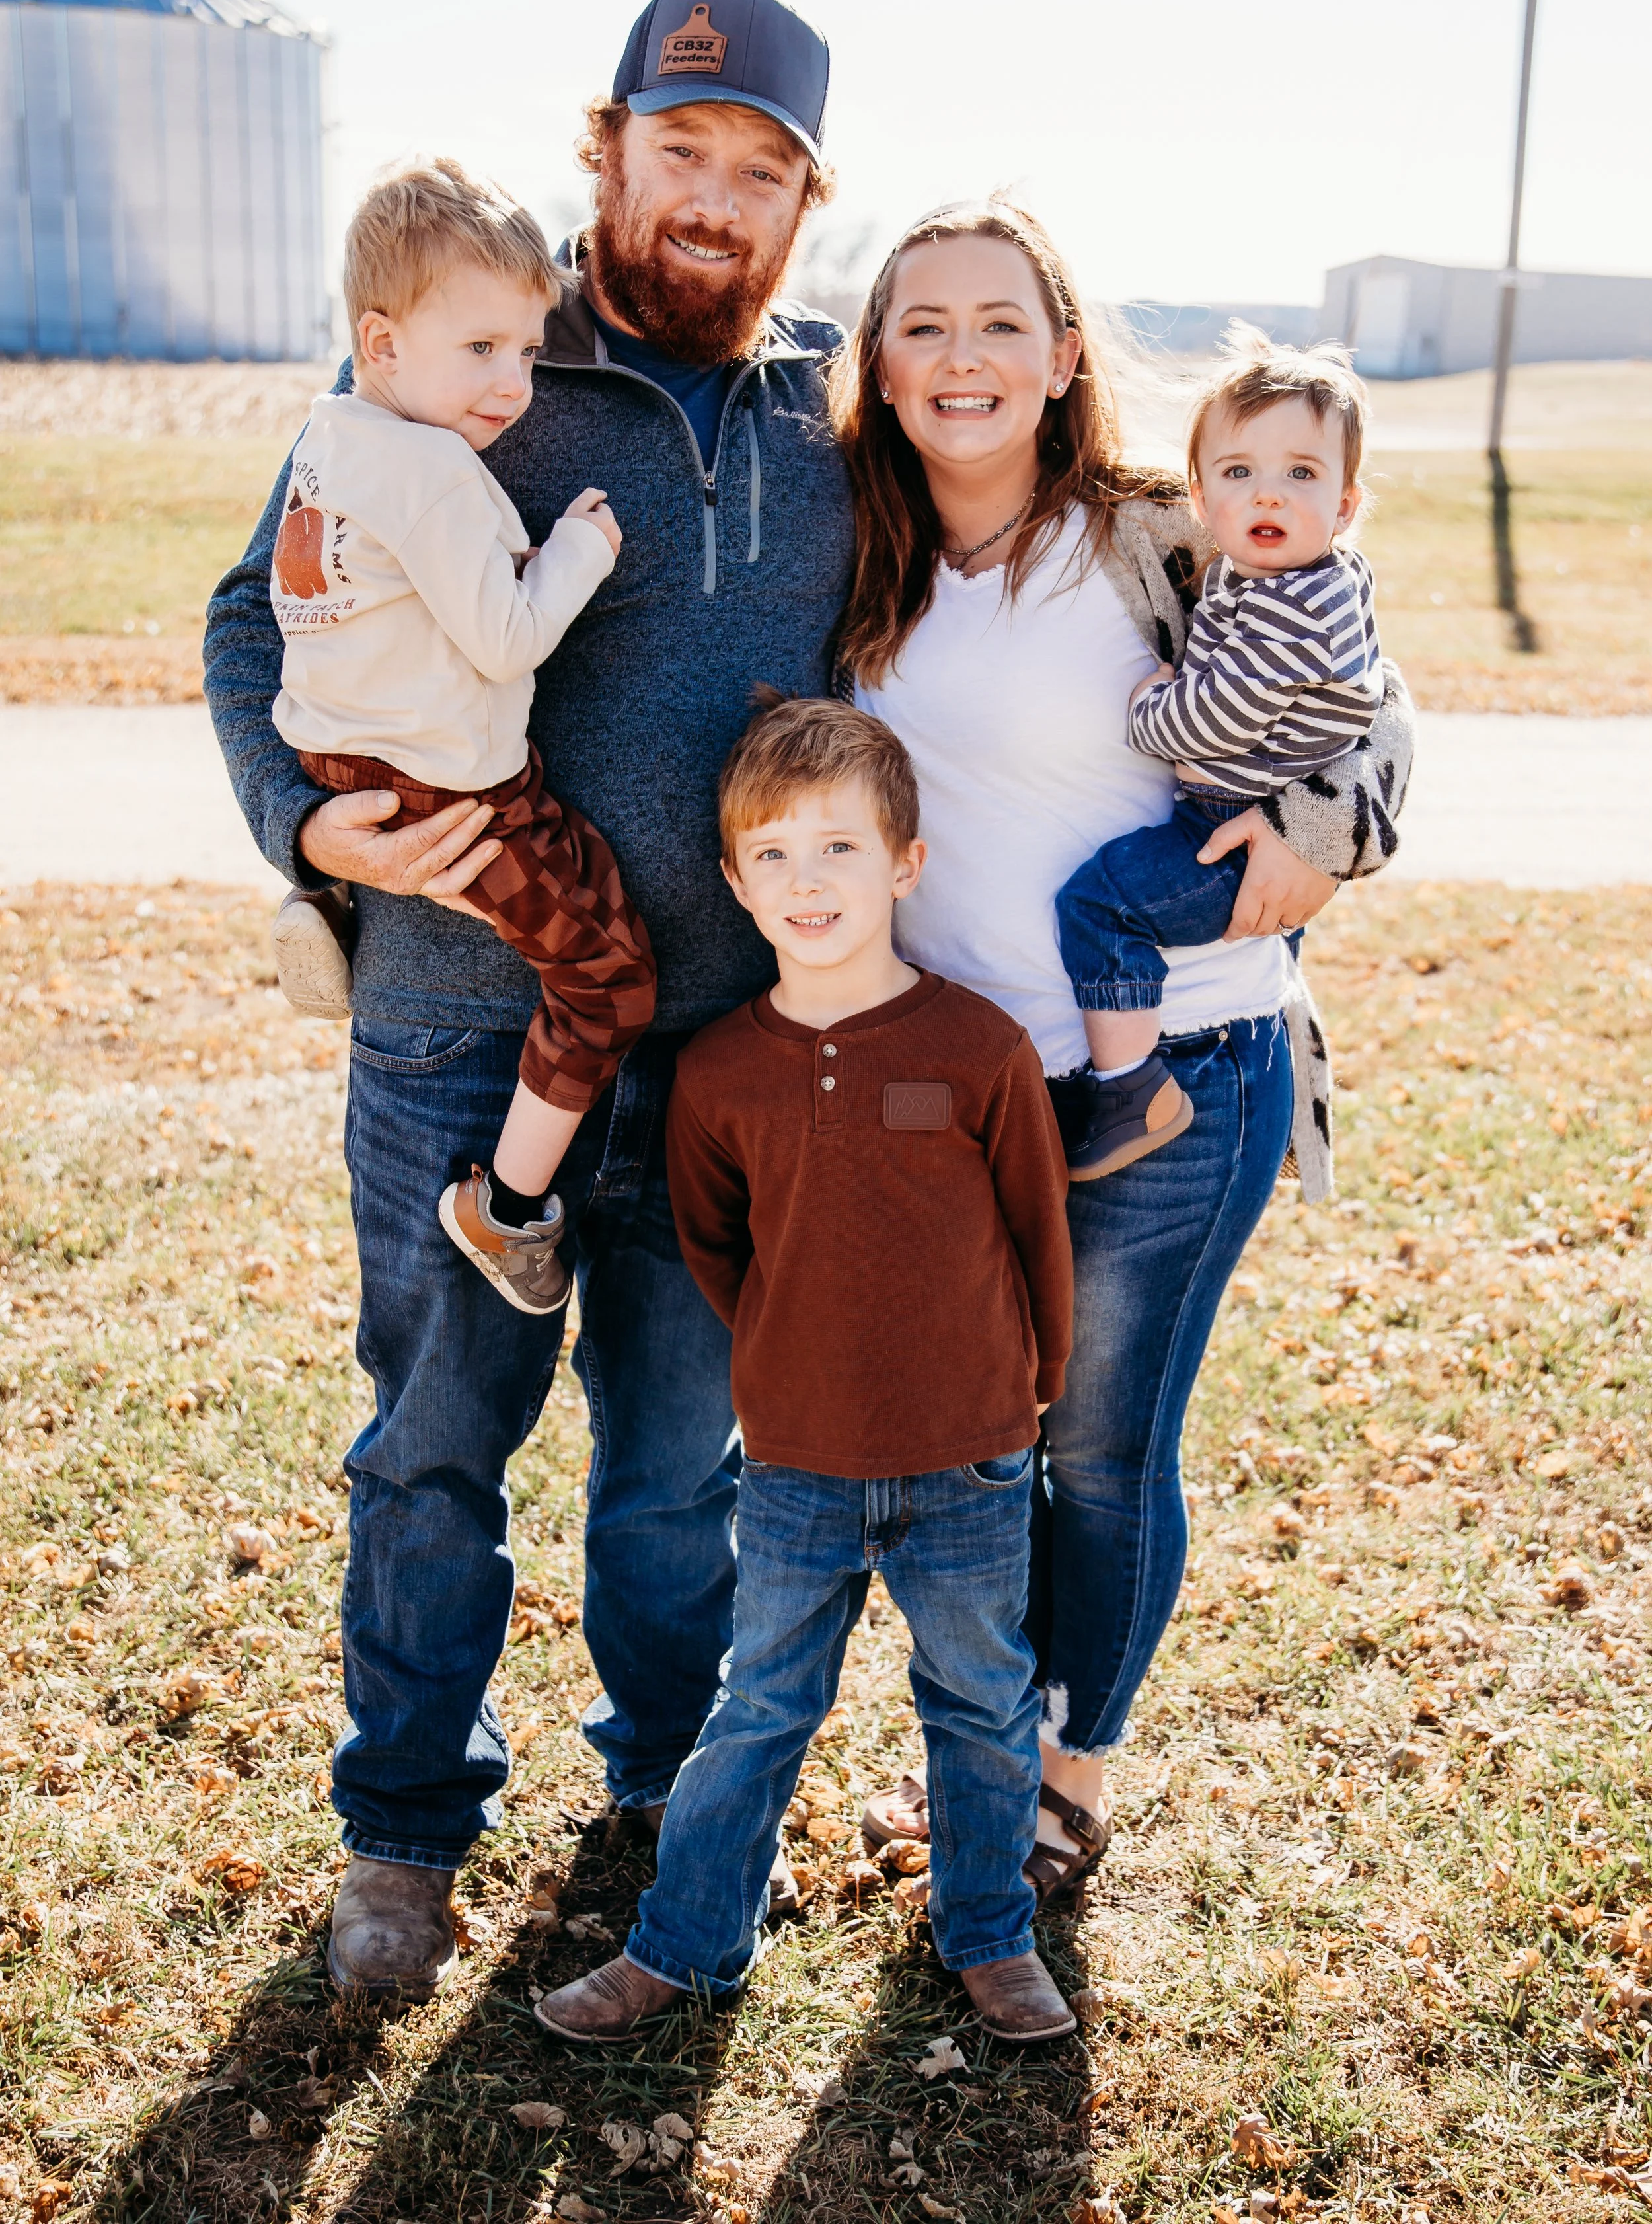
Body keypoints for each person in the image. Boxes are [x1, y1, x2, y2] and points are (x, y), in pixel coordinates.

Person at [203, 0, 854, 1999]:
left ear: (802, 203)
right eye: (680, 149)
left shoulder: (832, 411)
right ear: (608, 149)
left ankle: (666, 1796)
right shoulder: (470, 350)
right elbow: (251, 614)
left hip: (724, 1042)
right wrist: (305, 827)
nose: (712, 198)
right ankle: (403, 1830)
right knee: (430, 1444)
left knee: (678, 1474)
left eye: (759, 170)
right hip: (455, 1023)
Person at [836, 202, 1414, 1899]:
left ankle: (1064, 1776)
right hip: (965, 1085)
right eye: (923, 324)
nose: (962, 356)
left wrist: (1327, 831)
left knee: (1097, 1447)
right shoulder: (858, 548)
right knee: (979, 1448)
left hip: (1185, 1069)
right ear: (880, 365)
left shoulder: (1154, 533)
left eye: (1000, 323)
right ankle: (985, 1747)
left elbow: (1372, 695)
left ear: (1063, 356)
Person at [533, 695, 1076, 2046]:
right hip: (794, 1466)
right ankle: (683, 1944)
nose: (806, 880)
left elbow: (1036, 1230)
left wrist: (1033, 1384)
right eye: (772, 854)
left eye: (838, 848)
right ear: (733, 881)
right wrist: (789, 1359)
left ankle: (989, 1932)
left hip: (968, 1457)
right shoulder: (722, 1074)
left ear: (905, 863)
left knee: (979, 1701)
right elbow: (720, 1249)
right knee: (758, 1708)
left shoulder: (975, 1049)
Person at [268, 157, 655, 1315]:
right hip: (452, 791)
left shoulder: (335, 436)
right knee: (609, 979)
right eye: (480, 347)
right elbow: (504, 638)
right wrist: (578, 552)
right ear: (382, 344)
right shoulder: (434, 467)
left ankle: (331, 906)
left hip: (348, 752)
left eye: (527, 351)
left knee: (586, 878)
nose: (512, 384)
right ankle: (507, 1206)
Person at [1051, 336, 1383, 1178]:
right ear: (1198, 497)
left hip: (1231, 831)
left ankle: (1129, 1087)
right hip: (1228, 814)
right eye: (1238, 472)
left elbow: (1208, 724)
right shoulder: (1270, 574)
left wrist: (1146, 711)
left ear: (1344, 506)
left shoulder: (1293, 605)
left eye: (1301, 473)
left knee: (1100, 904)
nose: (1267, 492)